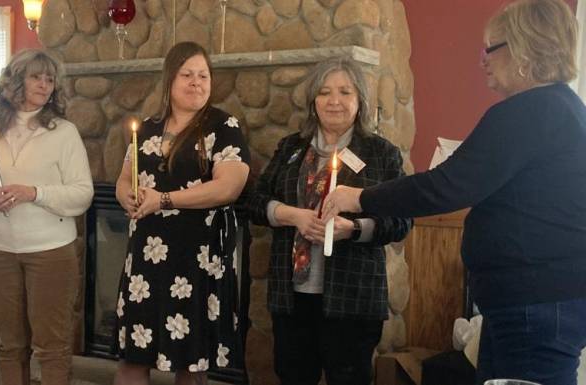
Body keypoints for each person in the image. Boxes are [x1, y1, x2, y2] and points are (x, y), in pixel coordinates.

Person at [327, 1, 586, 384]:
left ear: (523, 49)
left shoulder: (529, 112)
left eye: (490, 48)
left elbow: (446, 186)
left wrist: (360, 198)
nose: (482, 60)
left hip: (534, 302)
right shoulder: (561, 108)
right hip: (529, 299)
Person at [247, 57, 412, 385]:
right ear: (313, 102)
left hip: (352, 299)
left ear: (359, 101)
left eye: (344, 92)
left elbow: (401, 221)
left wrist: (352, 229)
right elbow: (255, 202)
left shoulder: (382, 154)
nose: (334, 101)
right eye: (324, 92)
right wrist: (293, 216)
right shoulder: (291, 148)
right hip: (293, 298)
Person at [113, 41, 250, 385]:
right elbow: (124, 178)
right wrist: (125, 196)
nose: (196, 81)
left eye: (203, 75)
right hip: (145, 260)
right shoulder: (145, 128)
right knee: (133, 357)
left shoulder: (223, 126)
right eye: (187, 74)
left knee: (190, 362)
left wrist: (164, 200)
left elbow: (229, 186)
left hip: (197, 258)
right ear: (169, 79)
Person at [0, 49, 94, 385]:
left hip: (51, 252)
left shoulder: (63, 132)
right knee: (9, 346)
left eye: (50, 79)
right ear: (16, 81)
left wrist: (34, 193)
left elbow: (83, 193)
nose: (44, 84)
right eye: (36, 76)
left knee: (51, 347)